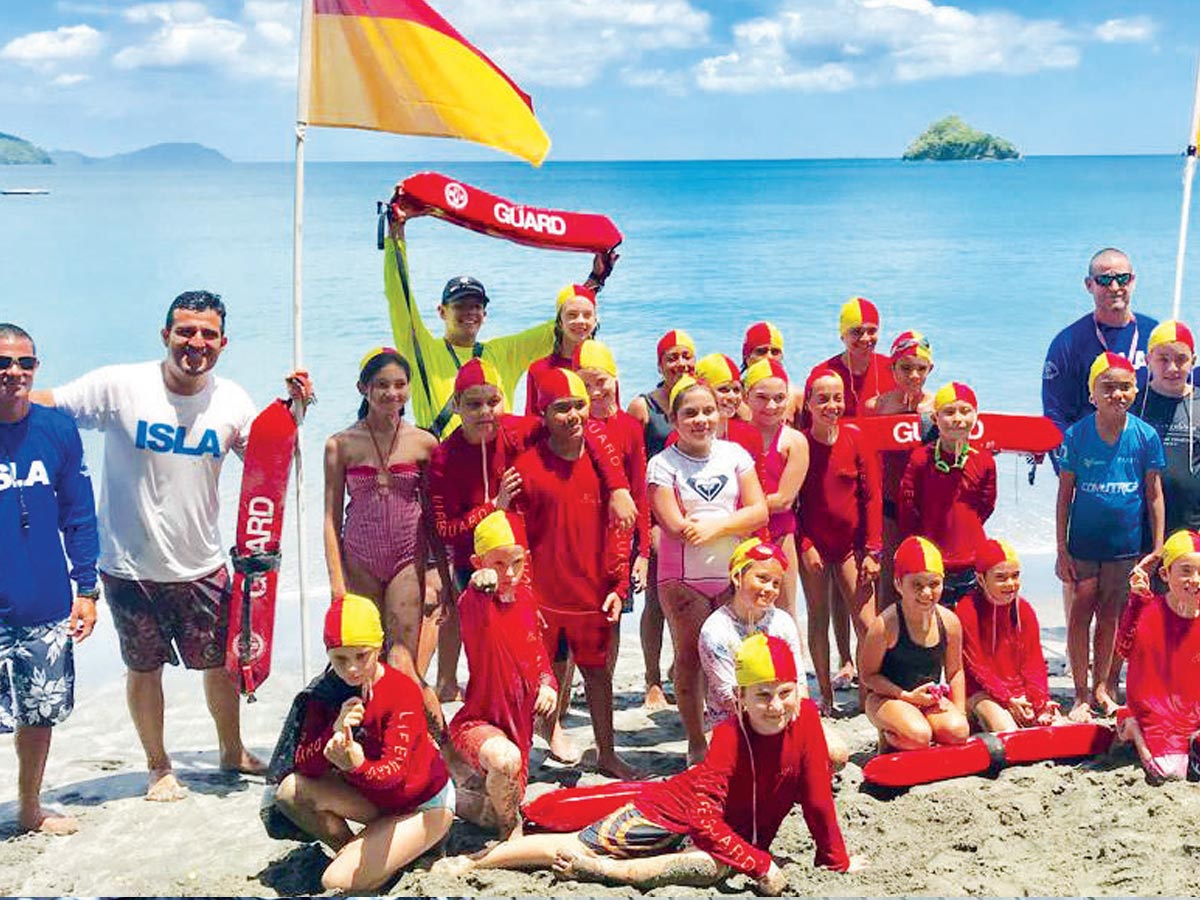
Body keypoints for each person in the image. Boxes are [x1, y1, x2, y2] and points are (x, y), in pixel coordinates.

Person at [32, 290, 312, 801]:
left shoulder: (231, 400)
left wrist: (293, 416)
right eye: (185, 331)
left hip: (201, 564)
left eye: (208, 334)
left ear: (223, 343)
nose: (196, 343)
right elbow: (46, 404)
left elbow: (267, 469)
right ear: (166, 335)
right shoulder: (120, 385)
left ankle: (232, 749)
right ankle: (159, 767)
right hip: (128, 566)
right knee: (144, 668)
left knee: (220, 665)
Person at [434, 633, 866, 894]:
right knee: (567, 848)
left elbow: (816, 798)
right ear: (740, 699)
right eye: (763, 695)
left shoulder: (805, 719)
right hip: (668, 812)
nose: (775, 705)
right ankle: (477, 862)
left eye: (785, 692)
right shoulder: (730, 737)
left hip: (720, 838)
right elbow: (700, 818)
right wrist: (758, 862)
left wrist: (834, 861)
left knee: (713, 865)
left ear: (798, 690)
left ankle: (609, 871)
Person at [427, 358, 633, 704]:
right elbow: (447, 531)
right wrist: (494, 507)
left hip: (525, 558)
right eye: (474, 404)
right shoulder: (444, 457)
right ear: (456, 406)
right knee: (492, 652)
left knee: (543, 649)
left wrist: (618, 487)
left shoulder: (520, 430)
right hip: (476, 565)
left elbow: (589, 429)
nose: (485, 413)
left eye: (493, 402)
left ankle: (552, 720)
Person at [383, 194, 614, 439]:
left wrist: (596, 280)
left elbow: (565, 323)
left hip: (501, 466)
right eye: (460, 306)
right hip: (446, 466)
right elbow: (399, 297)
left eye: (476, 306)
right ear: (442, 312)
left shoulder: (502, 353)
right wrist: (396, 231)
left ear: (485, 314)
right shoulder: (422, 351)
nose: (469, 312)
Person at [271, 594, 453, 892]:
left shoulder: (401, 690)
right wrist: (334, 731)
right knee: (290, 791)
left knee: (334, 881)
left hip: (422, 803)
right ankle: (360, 849)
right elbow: (303, 764)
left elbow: (395, 774)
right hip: (377, 799)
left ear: (380, 647)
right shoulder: (324, 692)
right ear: (328, 653)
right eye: (340, 659)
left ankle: (395, 851)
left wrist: (355, 765)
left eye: (362, 656)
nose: (352, 669)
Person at [0, 324, 99, 835]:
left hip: (43, 603)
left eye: (24, 363)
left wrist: (86, 588)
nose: (13, 373)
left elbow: (79, 515)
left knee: (37, 714)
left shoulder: (58, 431)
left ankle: (29, 807)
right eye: (2, 363)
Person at [514, 367, 636, 778]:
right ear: (543, 414)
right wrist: (527, 598)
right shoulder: (528, 467)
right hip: (546, 598)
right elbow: (519, 540)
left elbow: (621, 529)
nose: (573, 415)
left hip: (592, 593)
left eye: (579, 405)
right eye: (561, 408)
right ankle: (535, 749)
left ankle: (607, 752)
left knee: (599, 677)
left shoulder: (605, 467)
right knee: (538, 681)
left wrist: (619, 584)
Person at [647, 377, 768, 762]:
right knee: (690, 656)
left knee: (740, 655)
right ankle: (697, 741)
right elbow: (672, 525)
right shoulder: (662, 464)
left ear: (720, 412)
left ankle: (740, 732)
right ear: (673, 418)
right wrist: (732, 521)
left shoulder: (735, 455)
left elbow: (760, 510)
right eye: (690, 413)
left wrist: (716, 526)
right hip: (683, 578)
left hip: (732, 573)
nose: (701, 419)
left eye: (708, 411)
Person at [1042, 248, 1158, 629]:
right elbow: (1054, 414)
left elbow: (1182, 380)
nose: (1114, 286)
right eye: (1104, 279)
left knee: (1135, 564)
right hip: (1087, 469)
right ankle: (1081, 657)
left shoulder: (1153, 333)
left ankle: (1127, 649)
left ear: (1134, 281)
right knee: (1080, 573)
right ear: (1089, 285)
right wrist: (1071, 474)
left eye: (1122, 278)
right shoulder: (1069, 342)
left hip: (1142, 464)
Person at [1056, 352, 1165, 721]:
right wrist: (1061, 549)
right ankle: (1080, 693)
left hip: (1124, 545)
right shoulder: (1077, 435)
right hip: (1083, 544)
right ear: (1093, 394)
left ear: (1135, 390)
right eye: (1108, 387)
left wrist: (1158, 545)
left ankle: (1104, 687)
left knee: (1112, 617)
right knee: (1079, 614)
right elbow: (1064, 496)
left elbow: (1154, 494)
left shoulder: (1145, 435)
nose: (1117, 393)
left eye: (1125, 386)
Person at [323, 347, 440, 675]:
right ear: (364, 388)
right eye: (382, 385)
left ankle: (421, 726)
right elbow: (331, 519)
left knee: (403, 661)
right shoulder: (341, 444)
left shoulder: (424, 443)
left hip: (406, 557)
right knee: (363, 660)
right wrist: (337, 583)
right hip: (359, 558)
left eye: (400, 384)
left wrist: (437, 571)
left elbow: (433, 516)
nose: (392, 393)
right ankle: (365, 725)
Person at [450, 510, 557, 838]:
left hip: (518, 728)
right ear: (478, 561)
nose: (509, 573)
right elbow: (473, 596)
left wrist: (548, 685)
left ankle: (455, 795)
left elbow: (540, 660)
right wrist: (480, 580)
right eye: (498, 564)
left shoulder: (525, 599)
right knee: (505, 761)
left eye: (517, 563)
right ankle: (510, 832)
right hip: (477, 724)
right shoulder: (476, 601)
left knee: (493, 807)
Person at [698, 538, 848, 770]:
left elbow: (799, 685)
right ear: (737, 577)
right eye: (762, 579)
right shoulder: (715, 630)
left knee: (836, 755)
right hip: (735, 723)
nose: (770, 589)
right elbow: (731, 699)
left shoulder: (783, 623)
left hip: (782, 713)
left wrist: (792, 721)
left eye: (776, 583)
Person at [795, 368, 882, 714]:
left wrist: (873, 550)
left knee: (867, 624)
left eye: (837, 397)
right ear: (810, 404)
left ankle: (866, 691)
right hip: (814, 544)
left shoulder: (856, 437)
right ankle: (826, 695)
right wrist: (804, 545)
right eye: (823, 399)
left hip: (851, 548)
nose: (831, 405)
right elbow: (792, 505)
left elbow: (872, 498)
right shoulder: (800, 443)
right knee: (818, 618)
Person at [629, 329, 697, 710]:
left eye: (686, 356)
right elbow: (633, 465)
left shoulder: (699, 400)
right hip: (657, 514)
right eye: (672, 357)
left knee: (695, 598)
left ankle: (680, 666)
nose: (680, 364)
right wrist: (646, 524)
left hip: (696, 513)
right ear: (659, 364)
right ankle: (652, 678)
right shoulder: (644, 407)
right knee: (656, 599)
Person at [861, 536, 969, 751]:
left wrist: (960, 713)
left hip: (928, 700)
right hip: (887, 698)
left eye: (934, 584)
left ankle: (915, 731)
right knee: (918, 736)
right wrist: (906, 697)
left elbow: (955, 671)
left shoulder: (949, 622)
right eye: (917, 585)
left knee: (958, 732)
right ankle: (890, 735)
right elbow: (868, 676)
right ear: (898, 584)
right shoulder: (885, 625)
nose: (926, 593)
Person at [899, 382, 997, 609]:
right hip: (932, 562)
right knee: (933, 631)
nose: (958, 419)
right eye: (949, 412)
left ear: (976, 416)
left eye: (965, 411)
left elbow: (986, 506)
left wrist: (965, 531)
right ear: (935, 418)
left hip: (972, 561)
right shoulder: (920, 459)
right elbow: (907, 507)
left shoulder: (984, 460)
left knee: (970, 631)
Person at [1116, 529, 1200, 783]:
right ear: (1164, 574)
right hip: (1157, 707)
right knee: (1170, 772)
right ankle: (1133, 728)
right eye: (1186, 570)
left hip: (1194, 705)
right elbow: (1123, 648)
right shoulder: (1148, 609)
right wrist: (1135, 603)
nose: (1195, 579)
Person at [955, 538, 1062, 732]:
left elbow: (1034, 663)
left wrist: (1040, 701)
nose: (1011, 584)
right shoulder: (966, 609)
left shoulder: (1024, 610)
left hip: (1018, 693)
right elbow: (976, 665)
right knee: (1007, 730)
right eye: (1001, 577)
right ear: (980, 579)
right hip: (980, 693)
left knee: (1057, 725)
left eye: (1015, 575)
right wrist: (1007, 699)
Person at [573, 339, 651, 598]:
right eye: (585, 385)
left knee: (611, 621)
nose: (594, 392)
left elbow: (639, 491)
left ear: (615, 379)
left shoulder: (630, 427)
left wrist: (643, 553)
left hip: (618, 539)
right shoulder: (571, 425)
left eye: (601, 382)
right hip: (579, 538)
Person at [864, 330, 935, 608]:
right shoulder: (876, 406)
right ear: (892, 368)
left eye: (921, 368)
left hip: (927, 506)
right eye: (906, 368)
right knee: (889, 582)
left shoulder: (940, 406)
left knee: (928, 576)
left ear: (931, 369)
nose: (914, 376)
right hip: (889, 507)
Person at [743, 358, 807, 618]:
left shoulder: (794, 441)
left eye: (779, 398)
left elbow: (783, 501)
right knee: (742, 610)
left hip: (780, 534)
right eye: (762, 397)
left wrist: (734, 513)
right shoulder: (735, 434)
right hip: (742, 533)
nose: (771, 406)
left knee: (785, 612)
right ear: (746, 396)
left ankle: (791, 660)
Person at [1136, 320, 1200, 534]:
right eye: (1163, 359)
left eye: (1181, 359)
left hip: (1190, 527)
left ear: (1193, 361)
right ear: (1148, 361)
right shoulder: (1134, 404)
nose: (1172, 368)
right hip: (1139, 525)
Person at [809, 296, 896, 421]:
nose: (865, 338)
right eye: (856, 332)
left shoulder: (892, 369)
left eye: (872, 331)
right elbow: (809, 425)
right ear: (843, 336)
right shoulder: (823, 373)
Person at [524, 283, 599, 414]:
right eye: (572, 315)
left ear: (595, 321)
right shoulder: (538, 369)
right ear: (559, 321)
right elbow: (532, 422)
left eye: (587, 315)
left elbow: (613, 416)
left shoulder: (602, 367)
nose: (581, 321)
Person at [692, 352, 763, 458]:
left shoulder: (750, 435)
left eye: (736, 390)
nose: (732, 396)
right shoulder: (685, 437)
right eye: (723, 389)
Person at [740, 321, 805, 423]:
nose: (769, 357)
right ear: (746, 357)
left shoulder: (795, 397)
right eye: (761, 351)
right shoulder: (734, 398)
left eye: (775, 352)